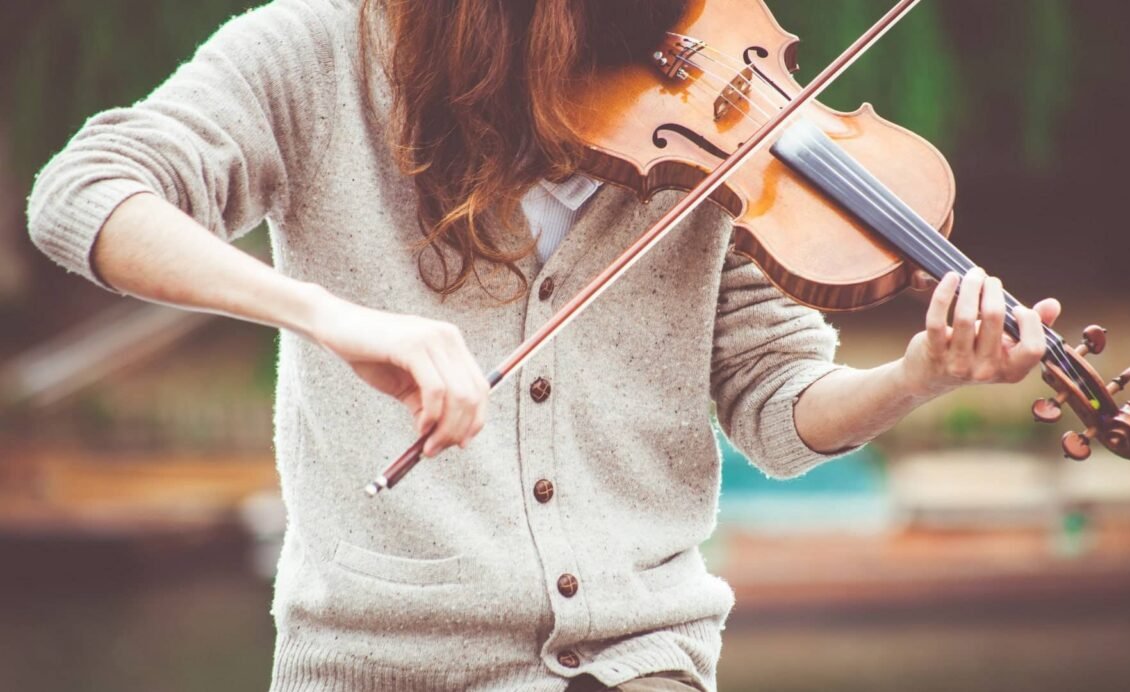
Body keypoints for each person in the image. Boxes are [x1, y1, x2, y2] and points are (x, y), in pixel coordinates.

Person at [26, 0, 1060, 690]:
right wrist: (329, 315)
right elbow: (84, 193)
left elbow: (779, 406)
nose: (661, 55)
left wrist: (917, 374)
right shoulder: (313, 55)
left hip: (640, 656)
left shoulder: (711, 125)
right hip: (377, 661)